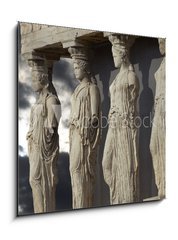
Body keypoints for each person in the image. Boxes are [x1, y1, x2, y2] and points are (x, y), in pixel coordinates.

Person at [102, 35, 139, 204]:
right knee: (106, 164)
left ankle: (126, 198)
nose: (113, 58)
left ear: (123, 54)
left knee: (124, 164)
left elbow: (133, 105)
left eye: (115, 55)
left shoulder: (131, 77)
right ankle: (116, 196)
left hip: (124, 126)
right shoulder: (117, 78)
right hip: (113, 124)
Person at [68, 47, 101, 209]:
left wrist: (87, 125)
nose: (75, 71)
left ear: (85, 68)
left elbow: (95, 116)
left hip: (84, 137)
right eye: (73, 67)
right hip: (75, 135)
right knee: (74, 170)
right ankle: (78, 206)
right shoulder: (76, 90)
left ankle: (83, 206)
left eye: (76, 67)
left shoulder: (92, 89)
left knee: (80, 171)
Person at [26, 63, 61, 213]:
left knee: (38, 180)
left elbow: (53, 125)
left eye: (34, 80)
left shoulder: (53, 100)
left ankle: (44, 211)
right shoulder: (38, 102)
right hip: (35, 146)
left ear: (43, 80)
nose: (32, 83)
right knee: (34, 180)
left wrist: (44, 134)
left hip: (45, 149)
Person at [150, 38, 165, 199]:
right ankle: (162, 186)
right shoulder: (163, 64)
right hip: (159, 108)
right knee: (154, 146)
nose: (160, 43)